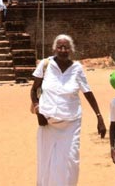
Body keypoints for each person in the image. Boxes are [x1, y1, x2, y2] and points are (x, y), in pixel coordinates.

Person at [30, 34, 106, 186]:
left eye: (66, 47)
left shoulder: (77, 68)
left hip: (71, 124)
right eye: (60, 47)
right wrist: (38, 110)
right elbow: (34, 90)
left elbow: (87, 92)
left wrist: (99, 117)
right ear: (54, 49)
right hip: (48, 123)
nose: (63, 50)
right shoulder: (45, 65)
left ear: (71, 49)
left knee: (70, 161)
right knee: (47, 161)